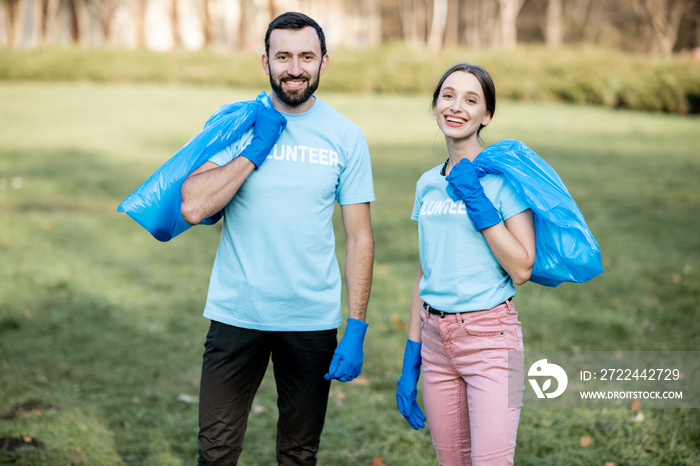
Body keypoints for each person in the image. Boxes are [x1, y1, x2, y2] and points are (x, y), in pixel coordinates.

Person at [180, 12, 375, 465]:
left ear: (324, 62)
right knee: (217, 451)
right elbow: (193, 205)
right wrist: (253, 150)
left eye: (306, 56)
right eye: (282, 56)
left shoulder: (346, 136)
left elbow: (360, 237)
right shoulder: (239, 123)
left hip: (311, 319)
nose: (294, 68)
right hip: (237, 313)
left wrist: (357, 326)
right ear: (264, 61)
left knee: (299, 453)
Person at [396, 63, 536, 465]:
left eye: (471, 100)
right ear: (436, 105)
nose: (456, 107)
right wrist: (412, 357)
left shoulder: (504, 179)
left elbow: (522, 268)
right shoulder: (427, 183)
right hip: (437, 342)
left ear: (486, 115)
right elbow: (426, 272)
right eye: (448, 96)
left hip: (492, 341)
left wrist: (478, 202)